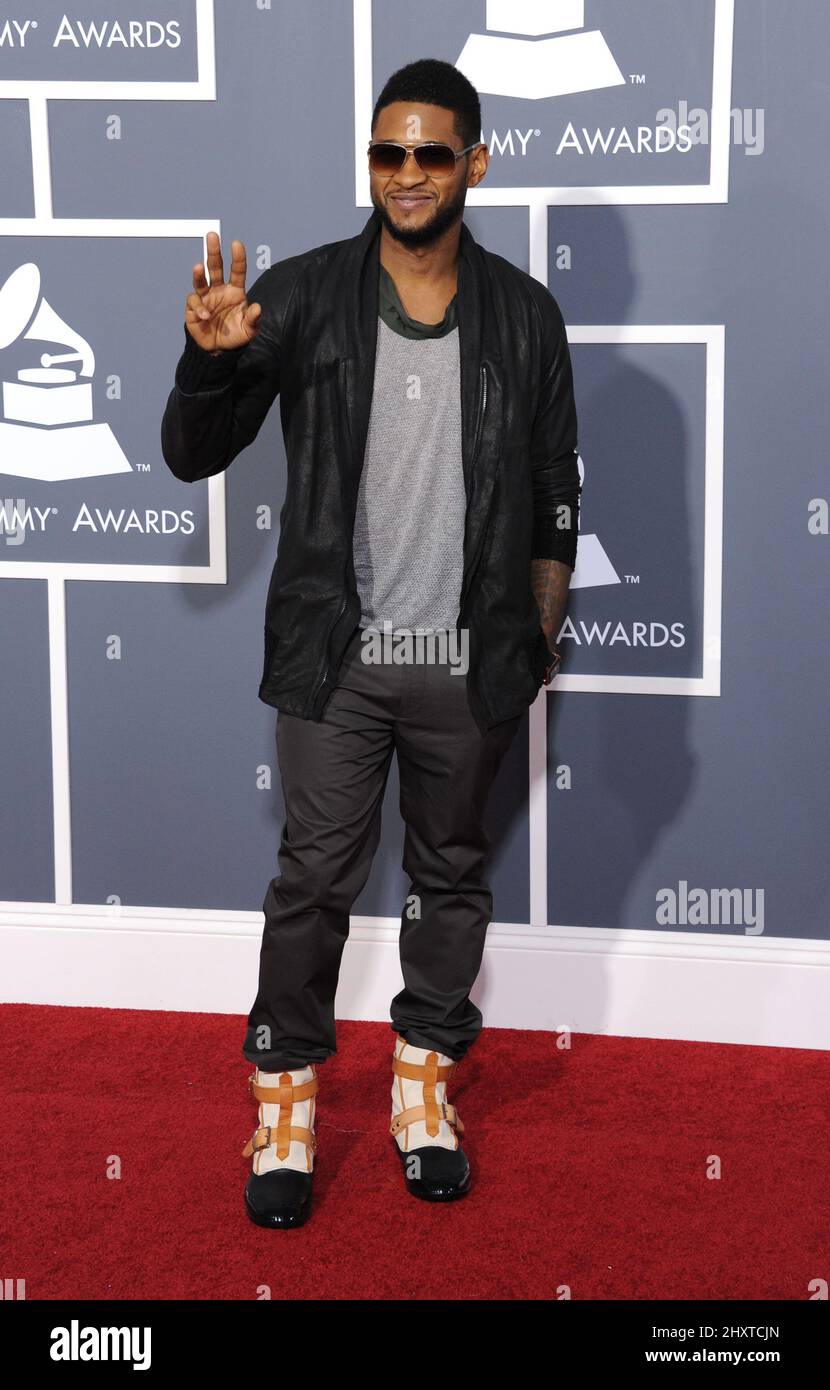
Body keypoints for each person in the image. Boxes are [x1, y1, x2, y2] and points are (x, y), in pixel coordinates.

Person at [161, 58, 580, 1229]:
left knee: (449, 878)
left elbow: (554, 490)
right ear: (370, 162)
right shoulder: (297, 297)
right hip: (334, 660)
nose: (405, 175)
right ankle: (285, 1099)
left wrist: (535, 632)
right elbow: (193, 455)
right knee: (312, 884)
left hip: (469, 662)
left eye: (430, 154)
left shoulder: (524, 315)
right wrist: (209, 357)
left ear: (473, 164)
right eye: (386, 153)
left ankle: (420, 1086)